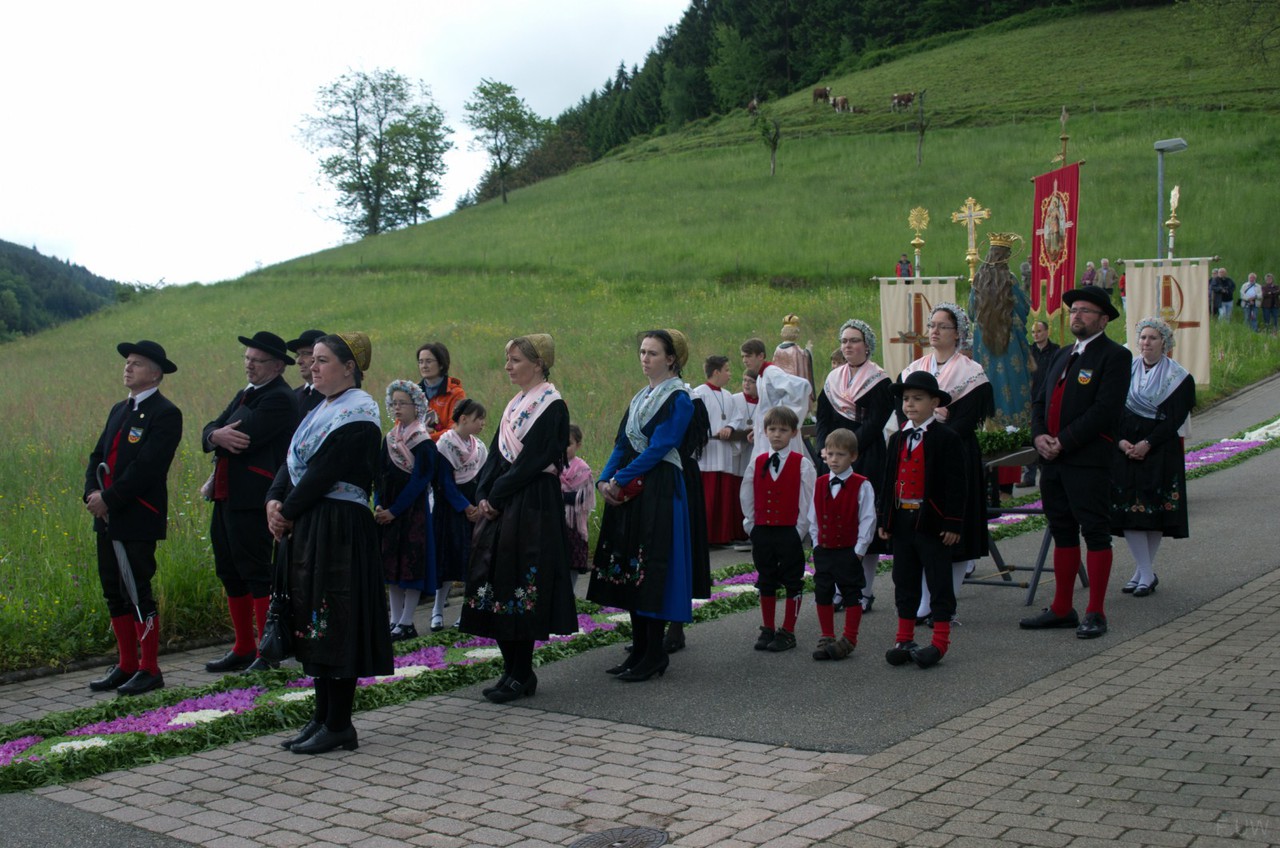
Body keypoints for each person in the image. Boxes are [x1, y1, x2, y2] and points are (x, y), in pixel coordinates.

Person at [267, 332, 392, 755]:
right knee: (314, 618)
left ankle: (340, 723)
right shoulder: (319, 410)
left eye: (322, 360)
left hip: (339, 527)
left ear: (349, 367)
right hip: (312, 524)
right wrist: (273, 500)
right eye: (312, 359)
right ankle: (322, 716)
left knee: (336, 619)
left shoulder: (358, 414)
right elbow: (291, 462)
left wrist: (286, 511)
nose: (312, 366)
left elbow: (324, 471)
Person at [460, 335, 575, 702]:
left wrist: (496, 495)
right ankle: (510, 669)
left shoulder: (552, 406)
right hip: (505, 501)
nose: (508, 366)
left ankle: (522, 673)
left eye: (516, 360)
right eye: (507, 359)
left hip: (531, 503)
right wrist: (482, 492)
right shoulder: (515, 405)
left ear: (538, 364)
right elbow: (496, 455)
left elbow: (533, 460)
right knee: (497, 581)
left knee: (520, 581)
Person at [1020, 285, 1131, 639]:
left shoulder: (1115, 356)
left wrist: (1063, 441)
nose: (1077, 315)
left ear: (1103, 319)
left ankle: (1096, 611)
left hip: (1087, 460)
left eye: (1085, 310)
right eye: (1074, 310)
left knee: (1095, 532)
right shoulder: (1062, 354)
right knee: (1062, 530)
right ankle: (1062, 608)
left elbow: (1105, 410)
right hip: (1052, 461)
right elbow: (1039, 400)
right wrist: (1039, 436)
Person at [589, 330, 698, 681]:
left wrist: (621, 479)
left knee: (652, 569)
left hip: (660, 488)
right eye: (642, 352)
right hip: (634, 487)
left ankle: (654, 654)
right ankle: (638, 650)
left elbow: (661, 446)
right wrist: (604, 479)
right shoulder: (640, 397)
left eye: (653, 353)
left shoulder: (679, 398)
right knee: (632, 569)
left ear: (671, 359)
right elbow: (622, 443)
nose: (645, 358)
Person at [83, 340, 183, 696]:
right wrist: (91, 493)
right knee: (113, 590)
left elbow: (148, 467)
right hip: (107, 515)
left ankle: (150, 668)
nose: (128, 367)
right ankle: (126, 664)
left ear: (155, 373)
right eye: (127, 362)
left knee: (137, 590)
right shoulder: (119, 409)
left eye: (136, 363)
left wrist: (109, 498)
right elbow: (97, 455)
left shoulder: (165, 413)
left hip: (137, 515)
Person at [202, 331, 300, 673]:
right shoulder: (248, 393)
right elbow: (212, 429)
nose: (249, 365)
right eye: (247, 358)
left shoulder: (280, 397)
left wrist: (218, 434)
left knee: (256, 571)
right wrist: (214, 435)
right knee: (229, 570)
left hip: (255, 496)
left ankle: (266, 650)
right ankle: (243, 646)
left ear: (277, 365)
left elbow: (243, 436)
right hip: (227, 495)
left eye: (257, 360)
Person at [899, 304, 992, 622]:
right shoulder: (914, 370)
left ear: (958, 333)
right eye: (932, 325)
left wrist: (936, 433)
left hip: (955, 456)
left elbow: (966, 420)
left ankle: (945, 602)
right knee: (923, 531)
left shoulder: (971, 373)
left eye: (943, 326)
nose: (935, 331)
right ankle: (925, 602)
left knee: (954, 532)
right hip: (916, 456)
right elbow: (903, 413)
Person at [877, 372, 967, 669]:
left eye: (917, 399)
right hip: (902, 521)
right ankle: (904, 638)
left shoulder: (947, 438)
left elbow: (957, 484)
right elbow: (888, 480)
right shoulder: (897, 438)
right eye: (906, 399)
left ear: (934, 402)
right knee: (904, 579)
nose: (910, 405)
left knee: (939, 579)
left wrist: (952, 522)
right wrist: (884, 518)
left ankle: (940, 641)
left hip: (932, 521)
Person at [1112, 318, 1195, 596]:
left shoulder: (1179, 378)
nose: (1146, 342)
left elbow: (1175, 418)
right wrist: (1121, 442)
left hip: (1160, 449)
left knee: (1154, 510)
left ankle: (1144, 573)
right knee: (1129, 511)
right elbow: (1111, 408)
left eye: (1153, 338)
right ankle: (1145, 572)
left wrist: (1148, 443)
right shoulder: (1125, 371)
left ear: (1165, 343)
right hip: (1126, 449)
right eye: (1143, 337)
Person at [815, 319, 892, 612]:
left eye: (854, 340)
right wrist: (825, 448)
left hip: (866, 455)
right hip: (834, 458)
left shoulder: (880, 380)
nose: (848, 346)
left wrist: (848, 450)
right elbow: (823, 417)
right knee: (837, 523)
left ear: (867, 345)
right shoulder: (833, 379)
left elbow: (875, 422)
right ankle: (839, 589)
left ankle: (865, 591)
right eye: (844, 341)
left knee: (865, 523)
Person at [739, 405, 816, 653]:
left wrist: (799, 530)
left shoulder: (802, 464)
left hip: (789, 532)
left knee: (792, 580)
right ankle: (768, 628)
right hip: (762, 530)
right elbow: (747, 494)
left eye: (783, 430)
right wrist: (751, 525)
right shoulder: (757, 462)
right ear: (765, 431)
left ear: (794, 433)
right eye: (772, 429)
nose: (777, 434)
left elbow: (808, 500)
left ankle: (788, 630)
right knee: (766, 579)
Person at [373, 380, 438, 641]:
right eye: (394, 403)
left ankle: (407, 621)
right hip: (388, 511)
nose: (397, 408)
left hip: (412, 513)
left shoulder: (422, 441)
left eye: (403, 403)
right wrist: (379, 503)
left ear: (416, 406)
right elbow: (380, 474)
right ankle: (394, 620)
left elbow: (420, 481)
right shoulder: (389, 439)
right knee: (392, 568)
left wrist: (395, 510)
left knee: (411, 565)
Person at [809, 428, 876, 661]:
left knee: (851, 593)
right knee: (823, 591)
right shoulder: (819, 483)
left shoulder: (862, 484)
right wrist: (816, 544)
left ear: (853, 456)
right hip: (824, 549)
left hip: (848, 550)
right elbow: (813, 518)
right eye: (830, 454)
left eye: (841, 454)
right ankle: (827, 635)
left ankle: (850, 638)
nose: (834, 459)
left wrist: (859, 551)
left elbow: (868, 519)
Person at [432, 399, 488, 629]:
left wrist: (478, 506)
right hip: (450, 510)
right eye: (478, 419)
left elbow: (484, 478)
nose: (482, 423)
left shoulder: (479, 447)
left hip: (474, 510)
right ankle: (437, 610)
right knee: (446, 561)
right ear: (463, 419)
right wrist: (465, 507)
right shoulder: (445, 445)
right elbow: (443, 482)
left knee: (470, 562)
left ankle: (466, 611)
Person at [969, 237, 1034, 430]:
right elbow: (1023, 308)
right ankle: (1016, 424)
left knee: (988, 377)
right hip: (1009, 340)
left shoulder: (978, 280)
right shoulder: (1010, 279)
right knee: (1013, 378)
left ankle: (988, 425)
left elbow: (971, 313)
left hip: (984, 342)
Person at [692, 355, 749, 546]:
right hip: (707, 453)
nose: (730, 374)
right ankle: (704, 538)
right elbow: (694, 420)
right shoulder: (699, 393)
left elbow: (736, 417)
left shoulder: (727, 395)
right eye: (727, 370)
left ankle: (721, 537)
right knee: (707, 499)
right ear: (716, 372)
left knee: (723, 499)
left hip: (723, 453)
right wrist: (708, 433)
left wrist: (730, 427)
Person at [741, 337, 811, 460]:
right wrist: (758, 428)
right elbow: (764, 408)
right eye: (743, 357)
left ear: (760, 356)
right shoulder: (761, 376)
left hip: (778, 431)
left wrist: (781, 414)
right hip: (768, 431)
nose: (744, 360)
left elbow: (801, 387)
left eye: (748, 356)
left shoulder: (772, 372)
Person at [1021, 320, 1060, 487]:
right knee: (1031, 436)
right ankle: (1029, 476)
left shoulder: (1056, 351)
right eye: (1033, 332)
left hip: (1048, 399)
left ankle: (1047, 474)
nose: (1036, 335)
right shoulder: (1028, 352)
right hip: (1031, 398)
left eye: (1039, 331)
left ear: (1047, 332)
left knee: (1047, 434)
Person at [561, 424, 596, 591]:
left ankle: (571, 593)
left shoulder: (582, 469)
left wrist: (560, 497)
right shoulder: (551, 467)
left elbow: (583, 497)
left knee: (573, 560)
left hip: (574, 523)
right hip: (554, 522)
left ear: (578, 445)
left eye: (568, 444)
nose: (563, 447)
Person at [416, 342, 466, 440]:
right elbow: (401, 426)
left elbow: (454, 430)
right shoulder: (412, 392)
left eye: (428, 361)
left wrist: (424, 437)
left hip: (445, 446)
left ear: (441, 364)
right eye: (421, 362)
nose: (424, 366)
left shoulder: (456, 393)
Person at [772, 314, 815, 396]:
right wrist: (809, 350)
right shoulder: (795, 350)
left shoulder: (778, 349)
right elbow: (805, 360)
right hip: (794, 388)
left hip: (780, 386)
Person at [288, 329, 327, 416]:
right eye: (297, 355)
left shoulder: (331, 395)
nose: (298, 361)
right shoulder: (292, 396)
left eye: (305, 353)